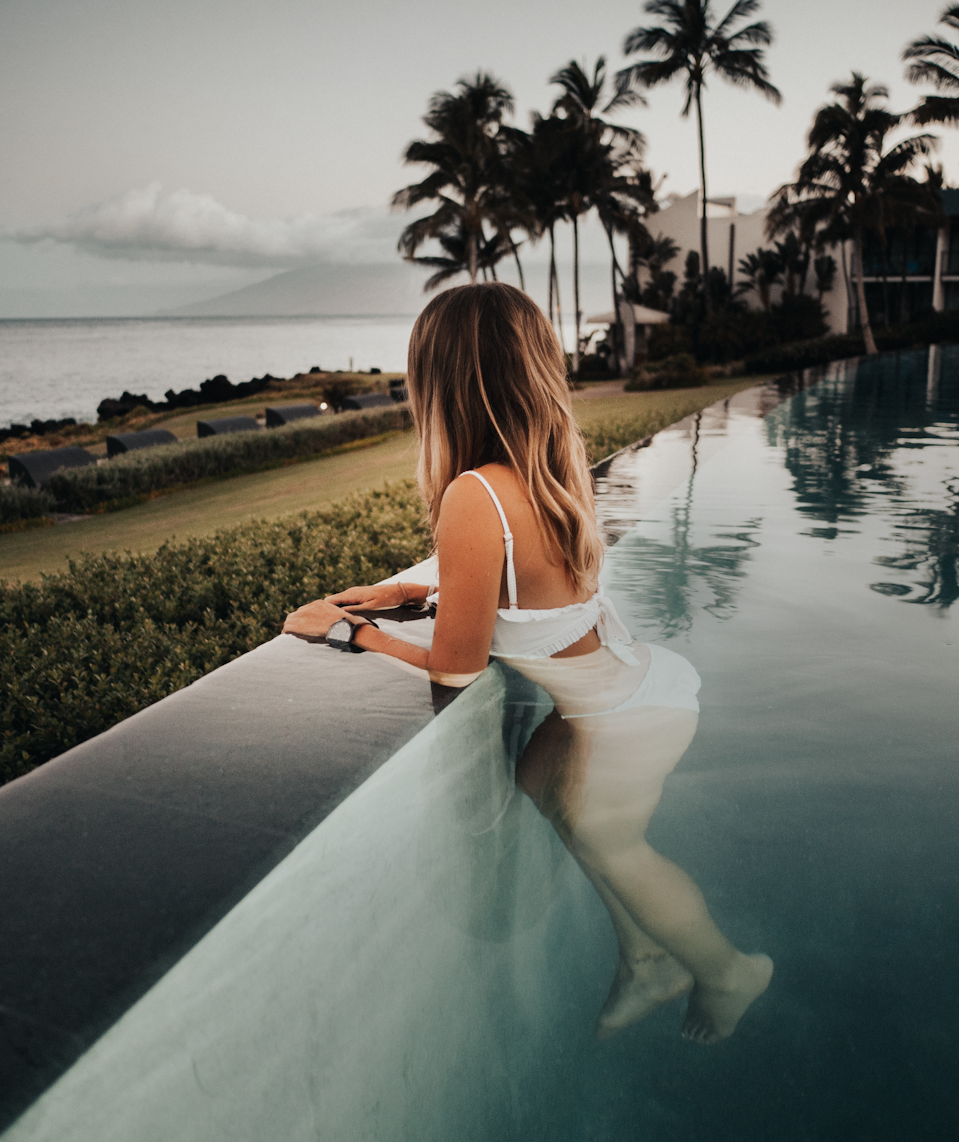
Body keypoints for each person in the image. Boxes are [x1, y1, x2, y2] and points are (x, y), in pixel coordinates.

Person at [282, 283, 772, 1042]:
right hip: (632, 692)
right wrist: (404, 591)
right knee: (539, 782)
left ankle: (729, 969)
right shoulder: (549, 467)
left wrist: (344, 632)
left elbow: (456, 671)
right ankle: (647, 956)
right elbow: (526, 593)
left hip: (620, 720)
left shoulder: (474, 496)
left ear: (442, 383)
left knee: (617, 846)